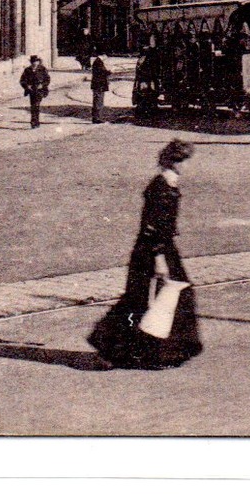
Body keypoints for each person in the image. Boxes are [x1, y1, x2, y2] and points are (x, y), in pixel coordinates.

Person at [88, 140, 203, 370]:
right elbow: (152, 224)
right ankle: (118, 351)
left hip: (158, 247)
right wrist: (159, 257)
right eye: (187, 161)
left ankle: (143, 353)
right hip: (153, 249)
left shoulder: (168, 182)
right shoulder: (162, 186)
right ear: (176, 161)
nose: (189, 167)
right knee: (144, 299)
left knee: (157, 298)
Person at [20, 54, 50, 128]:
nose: (34, 63)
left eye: (36, 61)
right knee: (33, 106)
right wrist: (27, 86)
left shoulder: (42, 69)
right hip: (31, 90)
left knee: (36, 105)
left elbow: (47, 79)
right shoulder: (27, 70)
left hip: (40, 90)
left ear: (38, 62)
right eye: (33, 61)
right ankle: (35, 122)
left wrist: (42, 85)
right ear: (31, 62)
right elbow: (22, 80)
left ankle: (34, 121)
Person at [91, 54, 112, 123]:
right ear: (103, 55)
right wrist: (109, 72)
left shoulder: (98, 61)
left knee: (98, 101)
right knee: (98, 101)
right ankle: (97, 118)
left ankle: (97, 117)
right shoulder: (98, 62)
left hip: (98, 85)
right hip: (99, 85)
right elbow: (101, 72)